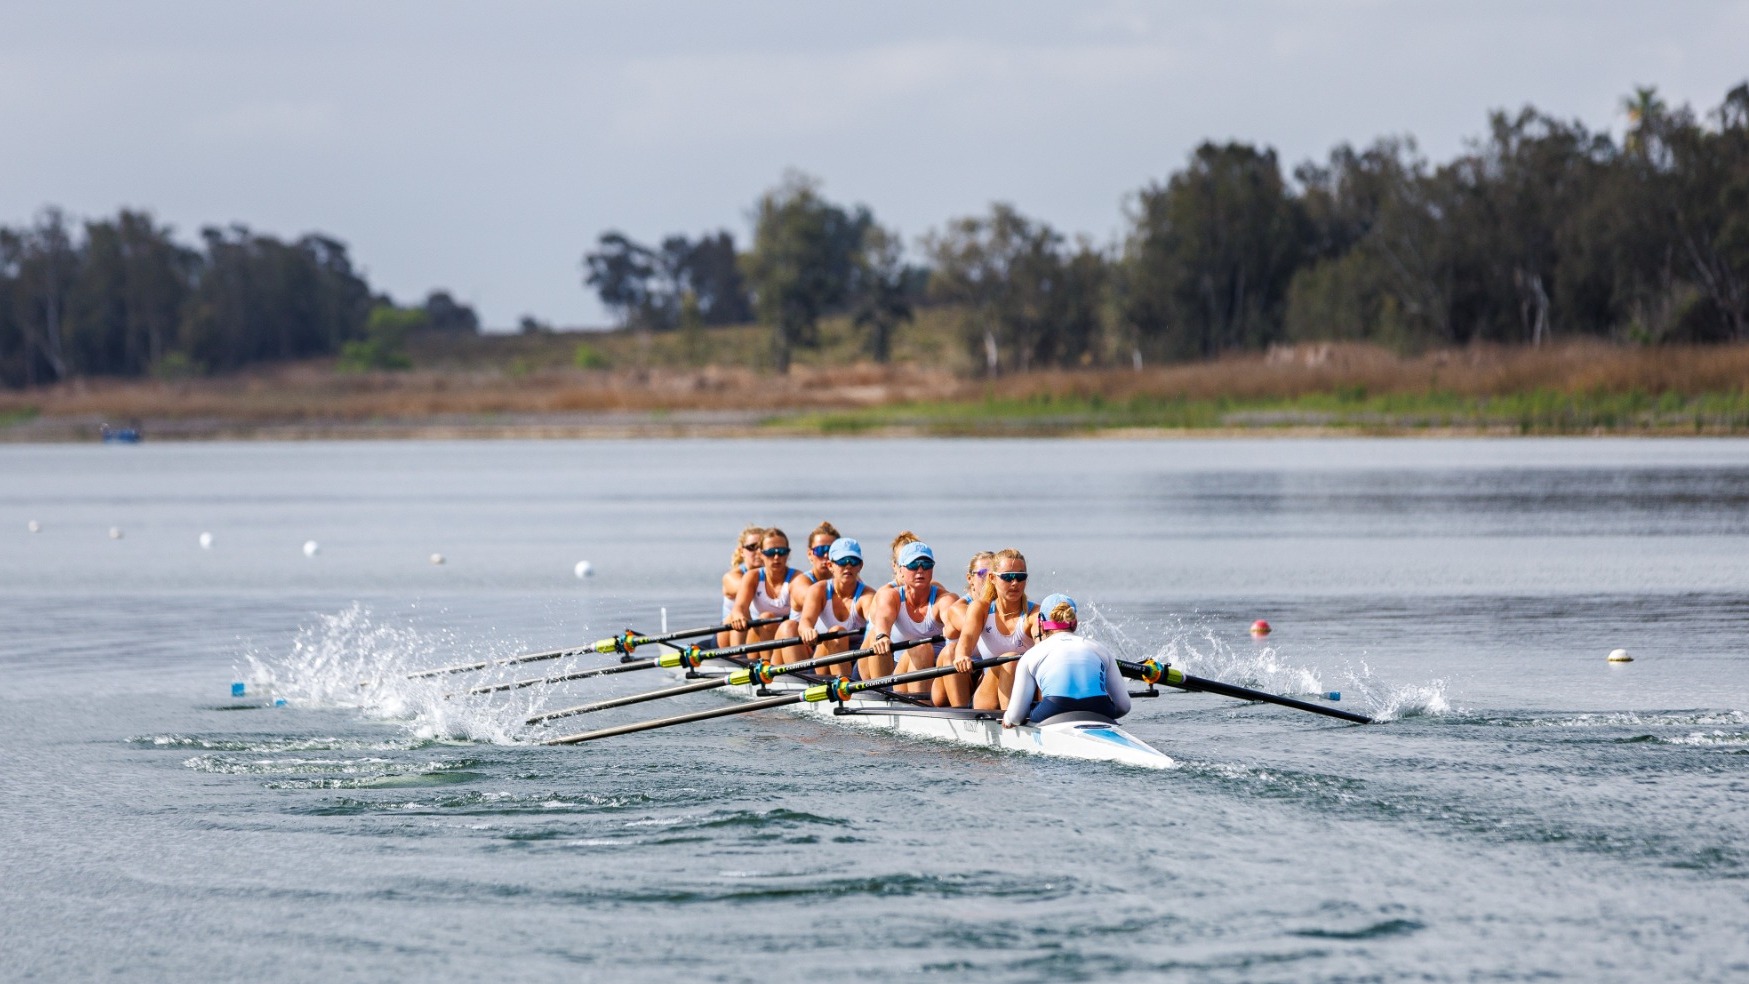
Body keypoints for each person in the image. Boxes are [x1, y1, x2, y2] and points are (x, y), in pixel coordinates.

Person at [1002, 594, 1132, 727]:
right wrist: (1093, 713)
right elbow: (1124, 706)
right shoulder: (1101, 649)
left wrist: (1008, 718)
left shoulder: (1031, 655)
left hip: (1052, 710)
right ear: (1074, 622)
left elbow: (1016, 717)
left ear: (1041, 623)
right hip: (1100, 710)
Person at [947, 547, 1038, 711]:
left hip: (1027, 691)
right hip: (988, 697)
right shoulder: (980, 608)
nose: (1015, 583)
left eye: (1020, 577)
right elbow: (966, 638)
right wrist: (961, 656)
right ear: (992, 578)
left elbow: (1045, 647)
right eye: (1008, 577)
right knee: (1010, 660)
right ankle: (1010, 720)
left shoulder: (1034, 614)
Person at [865, 541, 960, 693]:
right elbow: (883, 618)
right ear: (901, 570)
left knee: (924, 648)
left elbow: (952, 622)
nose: (920, 570)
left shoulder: (945, 599)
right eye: (914, 565)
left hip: (935, 671)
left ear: (932, 569)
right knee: (877, 636)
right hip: (897, 673)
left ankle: (924, 702)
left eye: (926, 564)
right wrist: (882, 636)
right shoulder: (890, 596)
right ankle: (882, 692)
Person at [788, 537, 874, 673]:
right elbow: (805, 622)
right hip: (823, 663)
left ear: (860, 565)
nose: (848, 566)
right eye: (842, 561)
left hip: (857, 665)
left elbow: (875, 623)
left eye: (853, 561)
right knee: (836, 632)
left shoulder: (867, 596)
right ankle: (843, 687)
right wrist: (807, 631)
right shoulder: (818, 590)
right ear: (830, 566)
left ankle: (848, 686)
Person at [771, 520, 841, 663]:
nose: (826, 556)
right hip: (800, 652)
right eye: (821, 551)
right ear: (810, 554)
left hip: (825, 650)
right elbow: (815, 599)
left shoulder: (849, 581)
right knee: (788, 627)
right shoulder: (800, 582)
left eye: (831, 551)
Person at [931, 551, 994, 707]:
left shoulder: (1003, 606)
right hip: (953, 680)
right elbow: (977, 626)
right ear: (970, 579)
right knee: (951, 651)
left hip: (983, 676)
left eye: (992, 574)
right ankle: (962, 712)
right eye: (982, 574)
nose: (988, 579)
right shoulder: (958, 609)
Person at [728, 527, 808, 645]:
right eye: (770, 552)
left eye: (781, 552)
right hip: (756, 638)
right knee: (766, 617)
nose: (776, 557)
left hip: (786, 639)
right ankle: (738, 657)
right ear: (761, 554)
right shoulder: (752, 577)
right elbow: (739, 607)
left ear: (788, 554)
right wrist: (738, 616)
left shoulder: (797, 578)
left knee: (773, 620)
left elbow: (808, 597)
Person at [719, 525, 763, 647]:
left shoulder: (777, 578)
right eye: (752, 547)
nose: (758, 552)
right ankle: (738, 659)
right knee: (739, 613)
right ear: (741, 551)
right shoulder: (731, 577)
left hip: (759, 633)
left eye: (762, 547)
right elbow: (750, 590)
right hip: (728, 636)